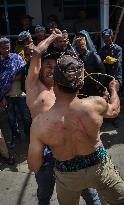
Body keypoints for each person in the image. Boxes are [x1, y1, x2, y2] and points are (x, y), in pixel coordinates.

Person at [28, 54, 124, 205]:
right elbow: (115, 110)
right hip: (99, 169)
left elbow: (34, 165)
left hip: (67, 177)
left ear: (55, 83)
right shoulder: (95, 104)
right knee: (123, 202)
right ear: (81, 83)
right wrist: (114, 89)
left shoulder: (39, 124)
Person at [26, 30, 102, 205]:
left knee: (89, 192)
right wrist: (53, 36)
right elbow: (38, 53)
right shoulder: (33, 87)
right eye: (48, 66)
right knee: (44, 194)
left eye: (56, 67)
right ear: (40, 68)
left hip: (69, 149)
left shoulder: (63, 88)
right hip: (45, 152)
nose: (52, 70)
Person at [0, 37, 31, 147]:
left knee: (26, 117)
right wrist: (1, 98)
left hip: (20, 94)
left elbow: (22, 74)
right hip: (7, 96)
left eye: (7, 48)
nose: (6, 50)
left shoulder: (17, 58)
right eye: (3, 48)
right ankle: (16, 137)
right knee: (11, 119)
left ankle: (29, 136)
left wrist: (6, 78)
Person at [73, 30, 105, 97]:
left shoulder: (93, 55)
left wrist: (99, 83)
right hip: (82, 87)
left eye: (81, 46)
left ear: (86, 45)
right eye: (77, 47)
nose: (79, 49)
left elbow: (102, 69)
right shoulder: (77, 58)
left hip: (93, 86)